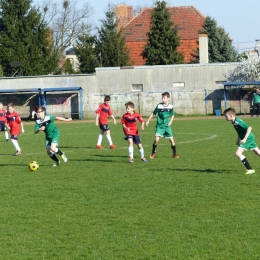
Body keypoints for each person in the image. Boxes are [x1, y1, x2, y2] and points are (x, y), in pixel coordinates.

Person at [224, 107, 260, 174]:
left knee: (238, 153)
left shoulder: (238, 121)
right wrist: (238, 139)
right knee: (257, 152)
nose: (225, 117)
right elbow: (240, 132)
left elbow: (249, 128)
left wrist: (244, 139)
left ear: (231, 115)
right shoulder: (234, 122)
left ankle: (250, 169)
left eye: (226, 116)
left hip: (248, 138)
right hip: (249, 137)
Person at [146, 91, 179, 159]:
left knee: (172, 140)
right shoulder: (159, 106)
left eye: (164, 98)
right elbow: (153, 113)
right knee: (156, 140)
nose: (163, 99)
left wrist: (171, 122)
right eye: (162, 98)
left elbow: (172, 114)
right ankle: (153, 153)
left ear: (168, 98)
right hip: (159, 126)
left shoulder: (170, 106)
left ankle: (174, 154)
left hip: (167, 126)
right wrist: (148, 120)